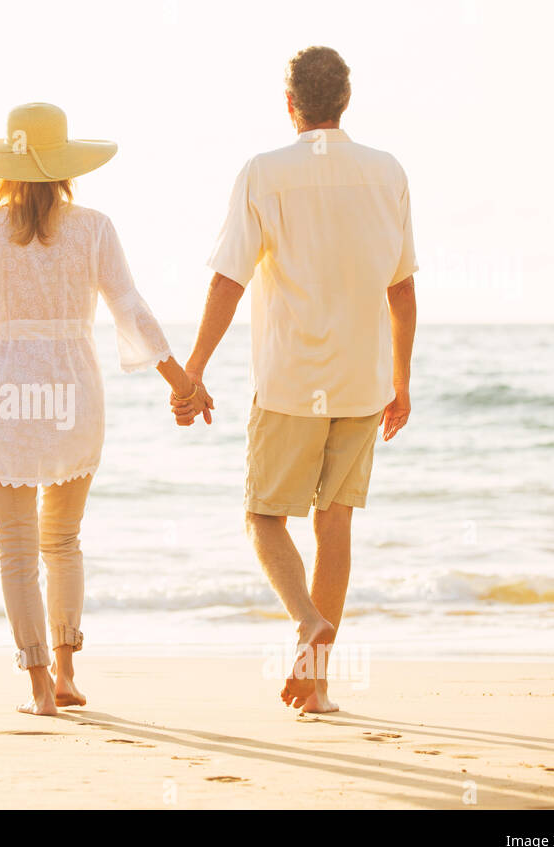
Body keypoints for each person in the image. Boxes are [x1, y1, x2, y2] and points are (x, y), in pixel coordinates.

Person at [0, 102, 205, 715]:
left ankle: (36, 687)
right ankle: (68, 676)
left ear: (6, 167)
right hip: (76, 391)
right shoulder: (94, 227)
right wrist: (180, 380)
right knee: (65, 541)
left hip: (9, 392)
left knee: (16, 547)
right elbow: (129, 306)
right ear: (66, 167)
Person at [174, 46, 419, 713]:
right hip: (361, 384)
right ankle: (316, 685)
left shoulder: (264, 172)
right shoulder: (387, 172)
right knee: (333, 525)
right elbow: (403, 293)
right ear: (344, 101)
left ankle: (306, 622)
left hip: (289, 380)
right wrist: (401, 381)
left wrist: (194, 368)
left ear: (290, 106)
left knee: (262, 516)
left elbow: (230, 277)